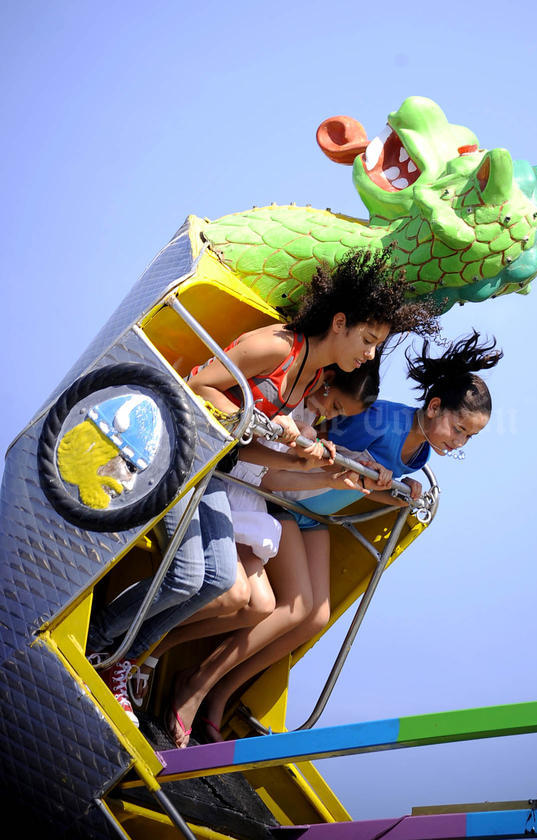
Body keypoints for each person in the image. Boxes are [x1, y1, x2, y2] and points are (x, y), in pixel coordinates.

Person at [88, 247, 438, 729]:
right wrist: (264, 421)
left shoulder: (312, 378)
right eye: (369, 339)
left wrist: (313, 462)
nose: (371, 354)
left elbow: (258, 461)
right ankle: (101, 647)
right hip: (178, 457)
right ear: (339, 322)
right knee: (194, 578)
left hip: (216, 471)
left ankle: (122, 657)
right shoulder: (278, 347)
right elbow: (197, 386)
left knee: (213, 581)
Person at [168, 330, 502, 745]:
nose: (459, 441)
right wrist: (359, 469)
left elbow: (363, 482)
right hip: (287, 499)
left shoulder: (422, 453)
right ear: (434, 407)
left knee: (317, 616)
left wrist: (400, 494)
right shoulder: (383, 421)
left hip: (315, 516)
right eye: (459, 429)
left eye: (469, 437)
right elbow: (322, 448)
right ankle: (196, 684)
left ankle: (220, 694)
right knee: (295, 609)